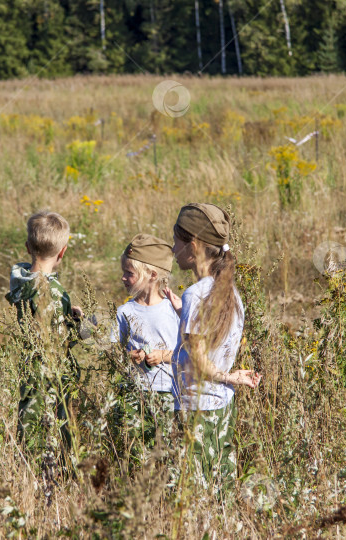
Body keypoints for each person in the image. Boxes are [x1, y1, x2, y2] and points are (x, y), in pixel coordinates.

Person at [169, 203, 261, 494]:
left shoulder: (196, 295)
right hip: (222, 407)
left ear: (193, 246)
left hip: (195, 411)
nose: (173, 249)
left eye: (177, 242)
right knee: (221, 490)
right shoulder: (231, 292)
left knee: (192, 495)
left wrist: (229, 376)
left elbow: (198, 363)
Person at [5, 211, 82, 460]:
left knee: (29, 425)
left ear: (27, 246)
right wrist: (79, 324)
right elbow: (58, 341)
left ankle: (29, 472)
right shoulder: (52, 291)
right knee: (53, 433)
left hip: (31, 368)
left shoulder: (21, 280)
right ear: (63, 252)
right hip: (51, 374)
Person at [114, 234, 181, 438]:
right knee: (135, 443)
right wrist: (129, 356)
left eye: (129, 273)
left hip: (169, 392)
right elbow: (113, 350)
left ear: (152, 275)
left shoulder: (174, 310)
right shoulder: (125, 311)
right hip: (134, 391)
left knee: (167, 446)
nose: (123, 278)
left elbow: (188, 351)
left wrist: (162, 356)